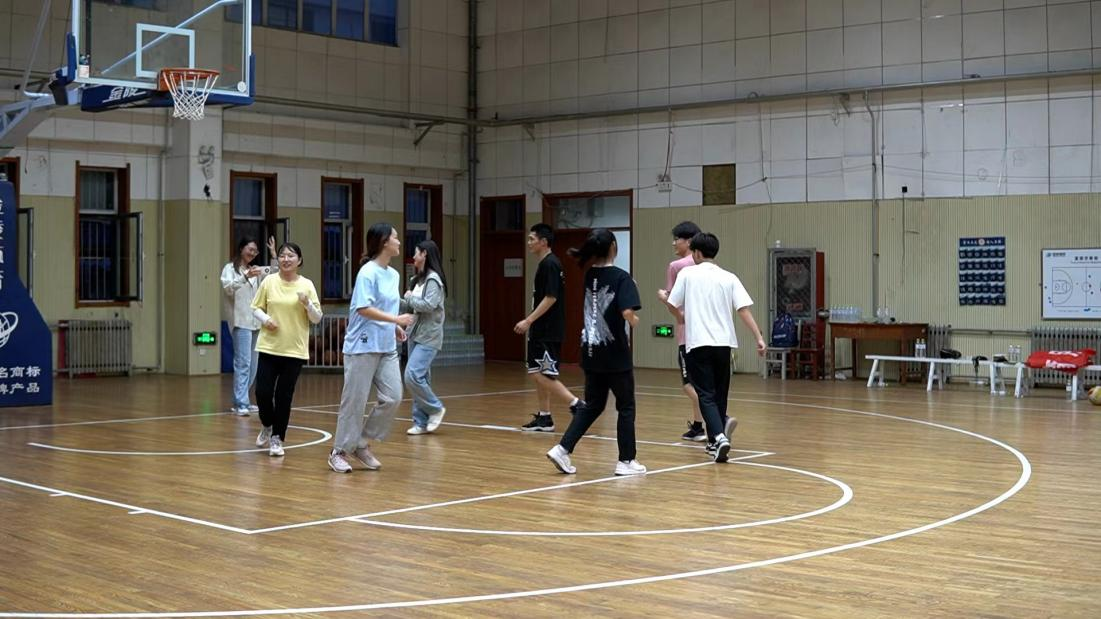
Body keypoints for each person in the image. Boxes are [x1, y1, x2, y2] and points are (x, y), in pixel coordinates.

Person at [659, 232, 766, 463]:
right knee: (719, 393)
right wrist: (758, 337)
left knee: (705, 394)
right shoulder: (729, 277)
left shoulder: (687, 274)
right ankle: (713, 442)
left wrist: (669, 304)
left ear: (696, 253)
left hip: (698, 343)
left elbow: (673, 304)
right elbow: (743, 309)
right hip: (724, 344)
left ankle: (718, 436)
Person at [546, 229, 645, 476]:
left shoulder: (590, 274)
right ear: (613, 247)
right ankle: (626, 460)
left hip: (591, 352)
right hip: (615, 355)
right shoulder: (622, 277)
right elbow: (626, 311)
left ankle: (562, 449)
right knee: (626, 406)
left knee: (593, 405)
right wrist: (633, 319)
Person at [328, 223, 414, 474]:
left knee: (393, 397)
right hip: (362, 346)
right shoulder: (367, 272)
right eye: (395, 237)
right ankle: (338, 452)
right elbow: (363, 308)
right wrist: (396, 319)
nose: (399, 241)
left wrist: (393, 327)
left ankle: (360, 442)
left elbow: (385, 306)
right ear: (384, 242)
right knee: (354, 402)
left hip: (386, 346)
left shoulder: (393, 274)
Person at [251, 242, 323, 457]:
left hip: (294, 350)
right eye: (282, 255)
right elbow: (255, 308)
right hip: (269, 346)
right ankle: (267, 424)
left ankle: (277, 438)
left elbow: (317, 318)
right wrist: (266, 319)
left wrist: (307, 304)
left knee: (284, 396)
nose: (286, 259)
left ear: (299, 260)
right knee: (262, 392)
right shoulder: (269, 281)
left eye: (291, 255)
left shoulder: (307, 285)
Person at [513, 223, 583, 431]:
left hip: (547, 330)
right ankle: (545, 417)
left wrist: (528, 320)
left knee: (539, 374)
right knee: (540, 373)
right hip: (543, 330)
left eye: (532, 239)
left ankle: (576, 404)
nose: (528, 243)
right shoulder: (546, 263)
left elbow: (551, 297)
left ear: (543, 242)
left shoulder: (550, 264)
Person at [660, 221, 707, 442]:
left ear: (688, 241)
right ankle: (698, 427)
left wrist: (663, 297)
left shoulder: (677, 266)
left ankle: (719, 418)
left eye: (676, 239)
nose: (673, 243)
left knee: (689, 384)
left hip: (687, 333)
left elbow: (673, 301)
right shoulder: (707, 266)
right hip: (708, 333)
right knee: (702, 383)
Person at [221, 236, 276, 416]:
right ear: (241, 248)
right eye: (250, 249)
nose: (252, 253)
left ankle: (242, 399)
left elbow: (275, 274)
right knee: (243, 363)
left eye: (255, 251)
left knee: (253, 365)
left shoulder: (256, 270)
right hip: (240, 322)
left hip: (256, 322)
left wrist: (273, 254)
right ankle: (241, 403)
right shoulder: (230, 268)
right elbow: (228, 288)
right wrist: (245, 276)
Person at [403, 240, 449, 435]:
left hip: (429, 335)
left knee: (412, 375)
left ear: (425, 255)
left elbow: (429, 305)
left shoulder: (433, 280)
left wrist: (409, 297)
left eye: (416, 253)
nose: (413, 257)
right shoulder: (417, 280)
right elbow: (412, 306)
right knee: (421, 378)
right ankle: (421, 422)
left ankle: (435, 408)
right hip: (414, 333)